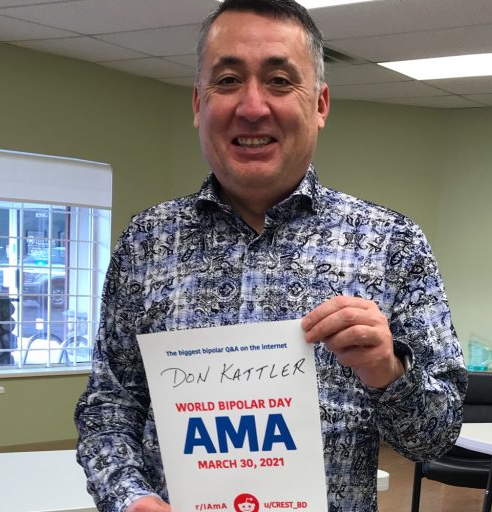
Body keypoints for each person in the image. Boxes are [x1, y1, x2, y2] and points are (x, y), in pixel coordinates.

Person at [74, 1, 466, 511]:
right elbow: (108, 407)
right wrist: (130, 499)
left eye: (280, 81)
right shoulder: (148, 243)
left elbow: (436, 437)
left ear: (320, 104)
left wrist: (389, 371)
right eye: (229, 80)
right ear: (198, 103)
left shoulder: (391, 244)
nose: (253, 106)